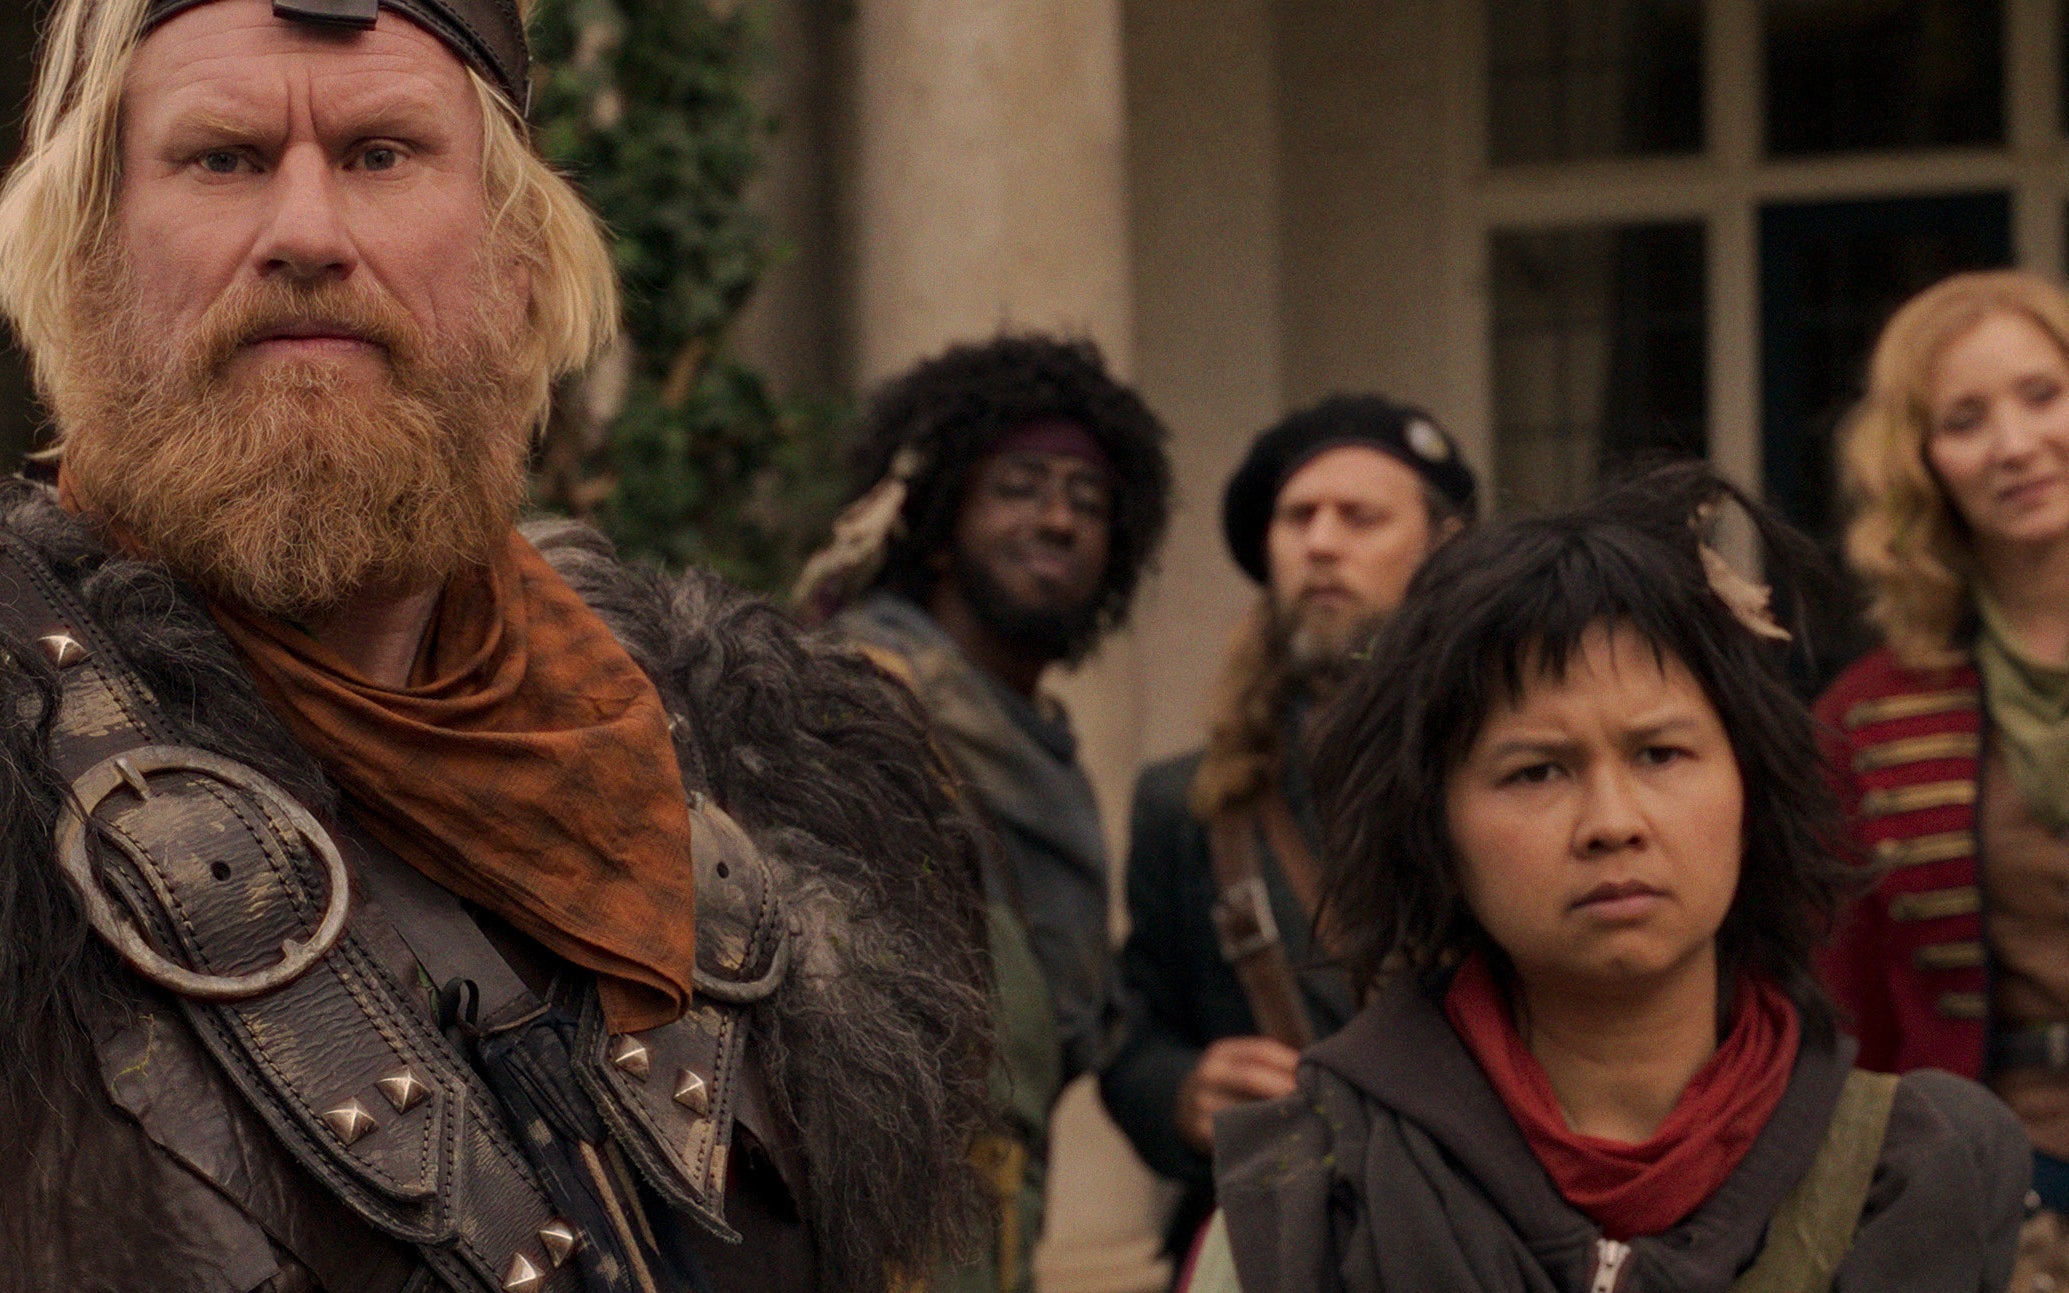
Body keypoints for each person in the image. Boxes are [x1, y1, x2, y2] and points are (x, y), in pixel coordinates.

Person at [0, 2, 992, 1290]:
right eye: (223, 158)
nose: (306, 233)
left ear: (521, 268)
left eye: (381, 155)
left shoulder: (754, 790)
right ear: (85, 268)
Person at [1192, 465, 2028, 1292]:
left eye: (1659, 754)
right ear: (1436, 828)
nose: (1612, 821)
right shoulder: (1310, 1195)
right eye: (1536, 771)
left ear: (1748, 788)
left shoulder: (1914, 1172)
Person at [795, 333, 1172, 1293]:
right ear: (937, 515)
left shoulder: (1042, 753)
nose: (1056, 519)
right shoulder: (851, 704)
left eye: (1087, 501)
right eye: (1019, 486)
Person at [1100, 395, 1476, 1265]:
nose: (1320, 541)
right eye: (1297, 516)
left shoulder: (1505, 772)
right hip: (1262, 1242)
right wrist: (1178, 1092)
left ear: (1443, 546)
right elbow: (1133, 1022)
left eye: (1360, 516)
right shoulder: (1185, 804)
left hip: (1474, 1241)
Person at [1817, 269, 2069, 1287]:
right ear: (1918, 461)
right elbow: (1841, 1009)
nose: (2013, 445)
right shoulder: (1864, 717)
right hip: (2004, 1189)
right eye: (1963, 418)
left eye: (2042, 395)